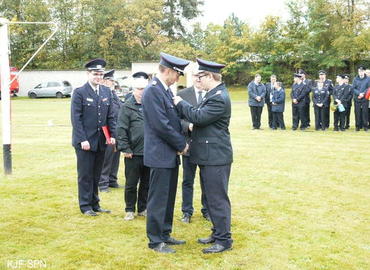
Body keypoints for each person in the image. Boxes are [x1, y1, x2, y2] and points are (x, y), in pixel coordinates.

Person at [174, 58, 233, 254]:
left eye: (199, 76)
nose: (197, 80)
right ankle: (217, 233)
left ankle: (224, 240)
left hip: (216, 156)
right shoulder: (214, 93)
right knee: (212, 197)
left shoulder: (218, 97)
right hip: (210, 155)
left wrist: (180, 102)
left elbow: (198, 117)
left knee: (217, 199)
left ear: (209, 76)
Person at [142, 52, 189, 254]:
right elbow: (162, 125)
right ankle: (155, 240)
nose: (179, 78)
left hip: (168, 154)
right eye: (177, 74)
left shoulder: (165, 90)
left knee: (168, 197)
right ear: (168, 71)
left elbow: (173, 120)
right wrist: (182, 144)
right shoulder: (153, 91)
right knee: (158, 198)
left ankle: (165, 233)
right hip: (160, 153)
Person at [71, 58, 115, 216]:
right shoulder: (80, 92)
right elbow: (76, 119)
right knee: (85, 175)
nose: (98, 76)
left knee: (96, 174)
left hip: (101, 141)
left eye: (101, 74)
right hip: (85, 142)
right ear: (88, 74)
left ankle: (95, 203)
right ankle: (85, 205)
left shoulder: (106, 91)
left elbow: (111, 116)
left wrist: (112, 135)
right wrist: (83, 139)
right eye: (95, 73)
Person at [177, 73, 209, 223]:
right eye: (196, 76)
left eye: (201, 76)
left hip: (207, 146)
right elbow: (176, 119)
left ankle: (207, 210)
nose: (198, 79)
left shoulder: (212, 94)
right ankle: (186, 212)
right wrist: (187, 126)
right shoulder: (182, 94)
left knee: (206, 180)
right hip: (189, 145)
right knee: (187, 181)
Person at [116, 74, 149, 221]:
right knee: (131, 183)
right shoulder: (127, 107)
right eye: (139, 89)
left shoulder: (151, 105)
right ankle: (129, 209)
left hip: (149, 152)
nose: (141, 91)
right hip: (133, 153)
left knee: (146, 183)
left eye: (144, 89)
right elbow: (121, 129)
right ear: (133, 89)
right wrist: (125, 148)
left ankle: (143, 208)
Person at [98, 69, 123, 192]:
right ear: (104, 80)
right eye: (110, 80)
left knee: (115, 155)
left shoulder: (112, 93)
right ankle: (103, 183)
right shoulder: (102, 93)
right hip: (106, 130)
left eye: (113, 80)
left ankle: (112, 180)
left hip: (116, 129)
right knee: (106, 158)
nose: (113, 82)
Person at [352, 66, 370, 131]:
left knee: (365, 112)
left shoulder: (368, 79)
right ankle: (357, 127)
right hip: (357, 98)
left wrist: (363, 93)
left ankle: (365, 126)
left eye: (362, 71)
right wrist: (359, 93)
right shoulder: (355, 79)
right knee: (357, 112)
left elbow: (369, 88)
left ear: (364, 71)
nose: (360, 72)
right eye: (359, 71)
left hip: (365, 98)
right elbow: (353, 88)